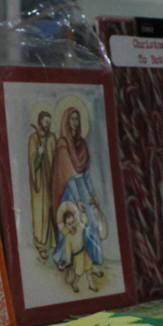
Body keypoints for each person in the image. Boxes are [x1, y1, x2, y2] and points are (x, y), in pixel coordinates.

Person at [51, 100, 106, 284]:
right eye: (72, 119)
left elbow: (86, 174)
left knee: (90, 221)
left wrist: (91, 195)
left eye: (77, 118)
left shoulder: (81, 143)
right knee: (72, 224)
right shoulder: (63, 144)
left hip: (82, 187)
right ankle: (61, 258)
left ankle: (92, 261)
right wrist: (77, 201)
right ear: (66, 121)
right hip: (70, 191)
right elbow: (68, 175)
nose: (74, 122)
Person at [27, 105, 56, 259]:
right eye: (45, 122)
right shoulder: (33, 138)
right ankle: (41, 246)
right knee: (41, 212)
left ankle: (52, 242)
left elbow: (56, 159)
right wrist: (39, 153)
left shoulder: (52, 138)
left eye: (49, 123)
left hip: (51, 181)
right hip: (40, 183)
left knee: (52, 210)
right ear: (40, 122)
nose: (47, 125)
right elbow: (32, 162)